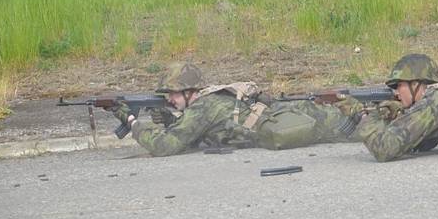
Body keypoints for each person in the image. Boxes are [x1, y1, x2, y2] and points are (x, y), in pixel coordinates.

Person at [111, 62, 356, 157]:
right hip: (287, 116)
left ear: (189, 91)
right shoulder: (205, 103)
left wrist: (132, 121)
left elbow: (164, 147)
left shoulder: (202, 108)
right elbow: (192, 138)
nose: (170, 99)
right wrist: (169, 119)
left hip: (297, 117)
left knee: (360, 124)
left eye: (174, 94)